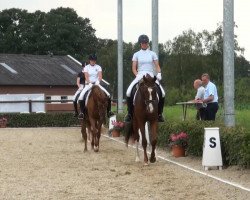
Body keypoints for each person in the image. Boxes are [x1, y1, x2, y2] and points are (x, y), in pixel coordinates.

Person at [124, 34, 165, 122]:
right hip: (140, 74)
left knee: (163, 93)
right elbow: (133, 68)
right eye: (142, 43)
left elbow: (157, 65)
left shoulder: (152, 54)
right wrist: (137, 74)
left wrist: (159, 73)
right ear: (140, 44)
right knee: (128, 92)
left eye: (145, 43)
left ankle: (160, 114)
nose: (144, 44)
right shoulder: (136, 54)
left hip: (151, 75)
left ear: (147, 43)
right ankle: (130, 113)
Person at [77, 54, 114, 119]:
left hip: (97, 84)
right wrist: (89, 83)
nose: (93, 62)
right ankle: (82, 113)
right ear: (89, 60)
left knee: (108, 95)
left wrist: (98, 81)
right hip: (89, 84)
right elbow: (86, 76)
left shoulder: (98, 67)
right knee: (81, 97)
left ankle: (109, 112)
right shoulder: (86, 67)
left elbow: (100, 76)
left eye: (94, 60)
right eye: (92, 60)